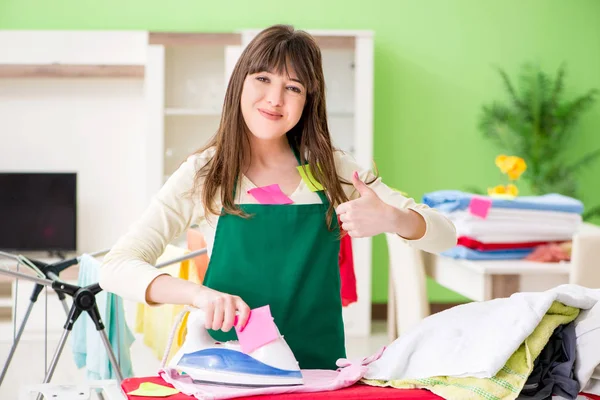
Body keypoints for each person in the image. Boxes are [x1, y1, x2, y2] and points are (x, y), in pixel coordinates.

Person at [99, 24, 457, 370]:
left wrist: (394, 219)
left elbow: (446, 235)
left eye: (293, 87)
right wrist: (199, 296)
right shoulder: (206, 174)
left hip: (319, 372)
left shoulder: (331, 169)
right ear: (240, 82)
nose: (275, 99)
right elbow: (116, 266)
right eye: (263, 79)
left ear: (308, 101)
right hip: (229, 372)